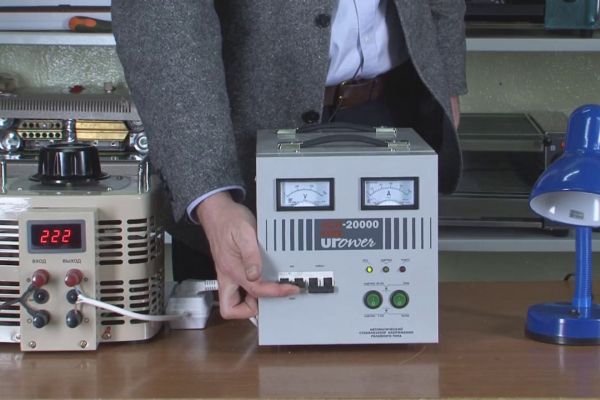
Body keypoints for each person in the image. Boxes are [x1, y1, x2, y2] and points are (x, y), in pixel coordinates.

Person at [111, 0, 467, 320]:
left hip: (390, 111)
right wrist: (211, 196)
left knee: (389, 327)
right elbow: (161, 13)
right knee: (232, 356)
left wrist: (448, 80)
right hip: (234, 147)